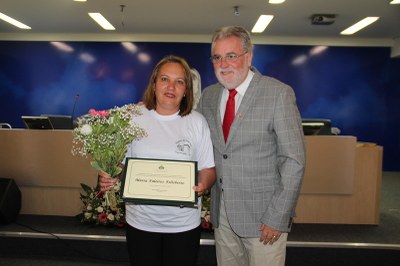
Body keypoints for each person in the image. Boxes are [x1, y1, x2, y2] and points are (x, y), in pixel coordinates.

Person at [197, 26, 306, 266]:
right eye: (217, 57)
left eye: (231, 56)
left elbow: (293, 161)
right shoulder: (209, 96)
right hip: (223, 217)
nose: (223, 64)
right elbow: (193, 138)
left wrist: (278, 217)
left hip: (264, 219)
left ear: (249, 56)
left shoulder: (278, 93)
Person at [121, 55, 216, 266]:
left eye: (179, 81)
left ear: (186, 90)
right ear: (154, 83)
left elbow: (208, 168)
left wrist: (203, 184)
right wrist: (111, 173)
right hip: (141, 222)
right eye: (164, 79)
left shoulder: (197, 122)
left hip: (182, 224)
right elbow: (121, 165)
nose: (171, 86)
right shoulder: (133, 117)